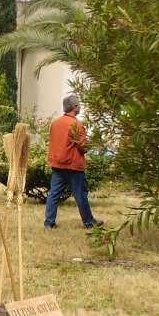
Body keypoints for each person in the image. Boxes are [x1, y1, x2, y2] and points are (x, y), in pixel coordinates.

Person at [44, 94, 103, 229]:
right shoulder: (77, 124)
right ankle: (89, 222)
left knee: (53, 194)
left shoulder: (55, 123)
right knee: (80, 195)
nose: (80, 107)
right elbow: (83, 146)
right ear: (75, 107)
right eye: (79, 105)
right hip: (73, 166)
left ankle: (49, 223)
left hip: (57, 165)